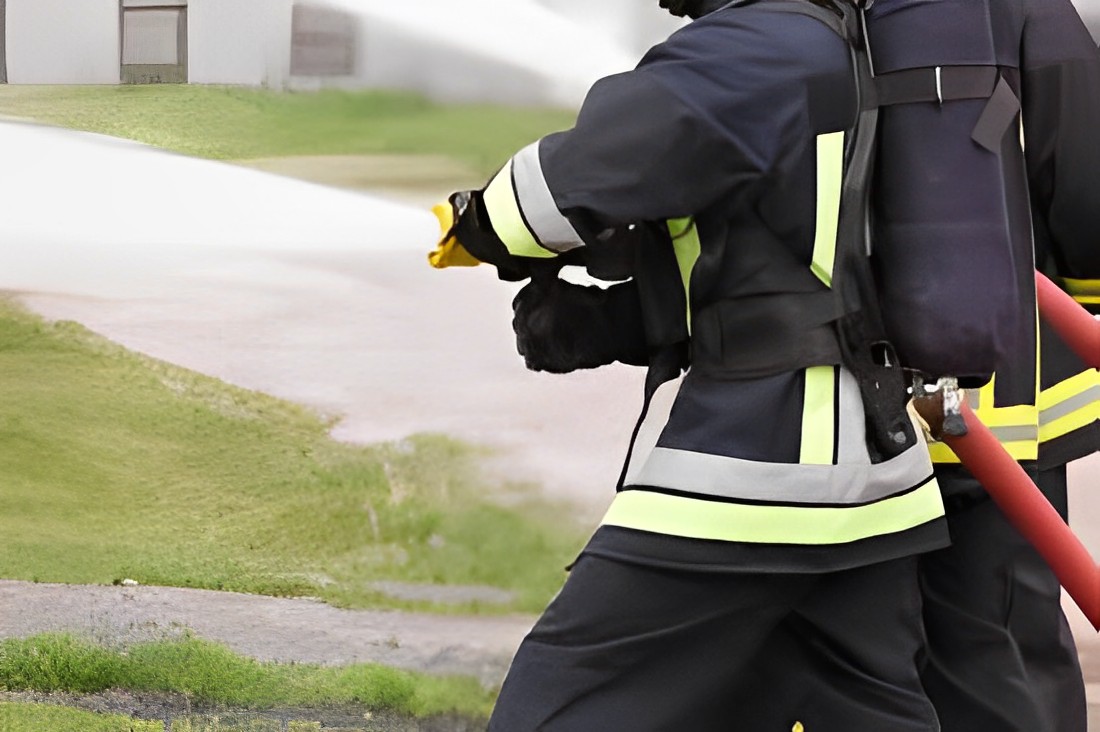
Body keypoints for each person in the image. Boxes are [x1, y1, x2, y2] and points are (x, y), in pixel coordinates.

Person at [430, 0, 952, 728]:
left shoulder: (753, 49)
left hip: (759, 464)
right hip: (875, 475)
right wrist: (606, 324)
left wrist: (476, 224)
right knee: (866, 711)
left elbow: (573, 179)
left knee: (561, 700)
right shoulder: (842, 44)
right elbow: (784, 262)